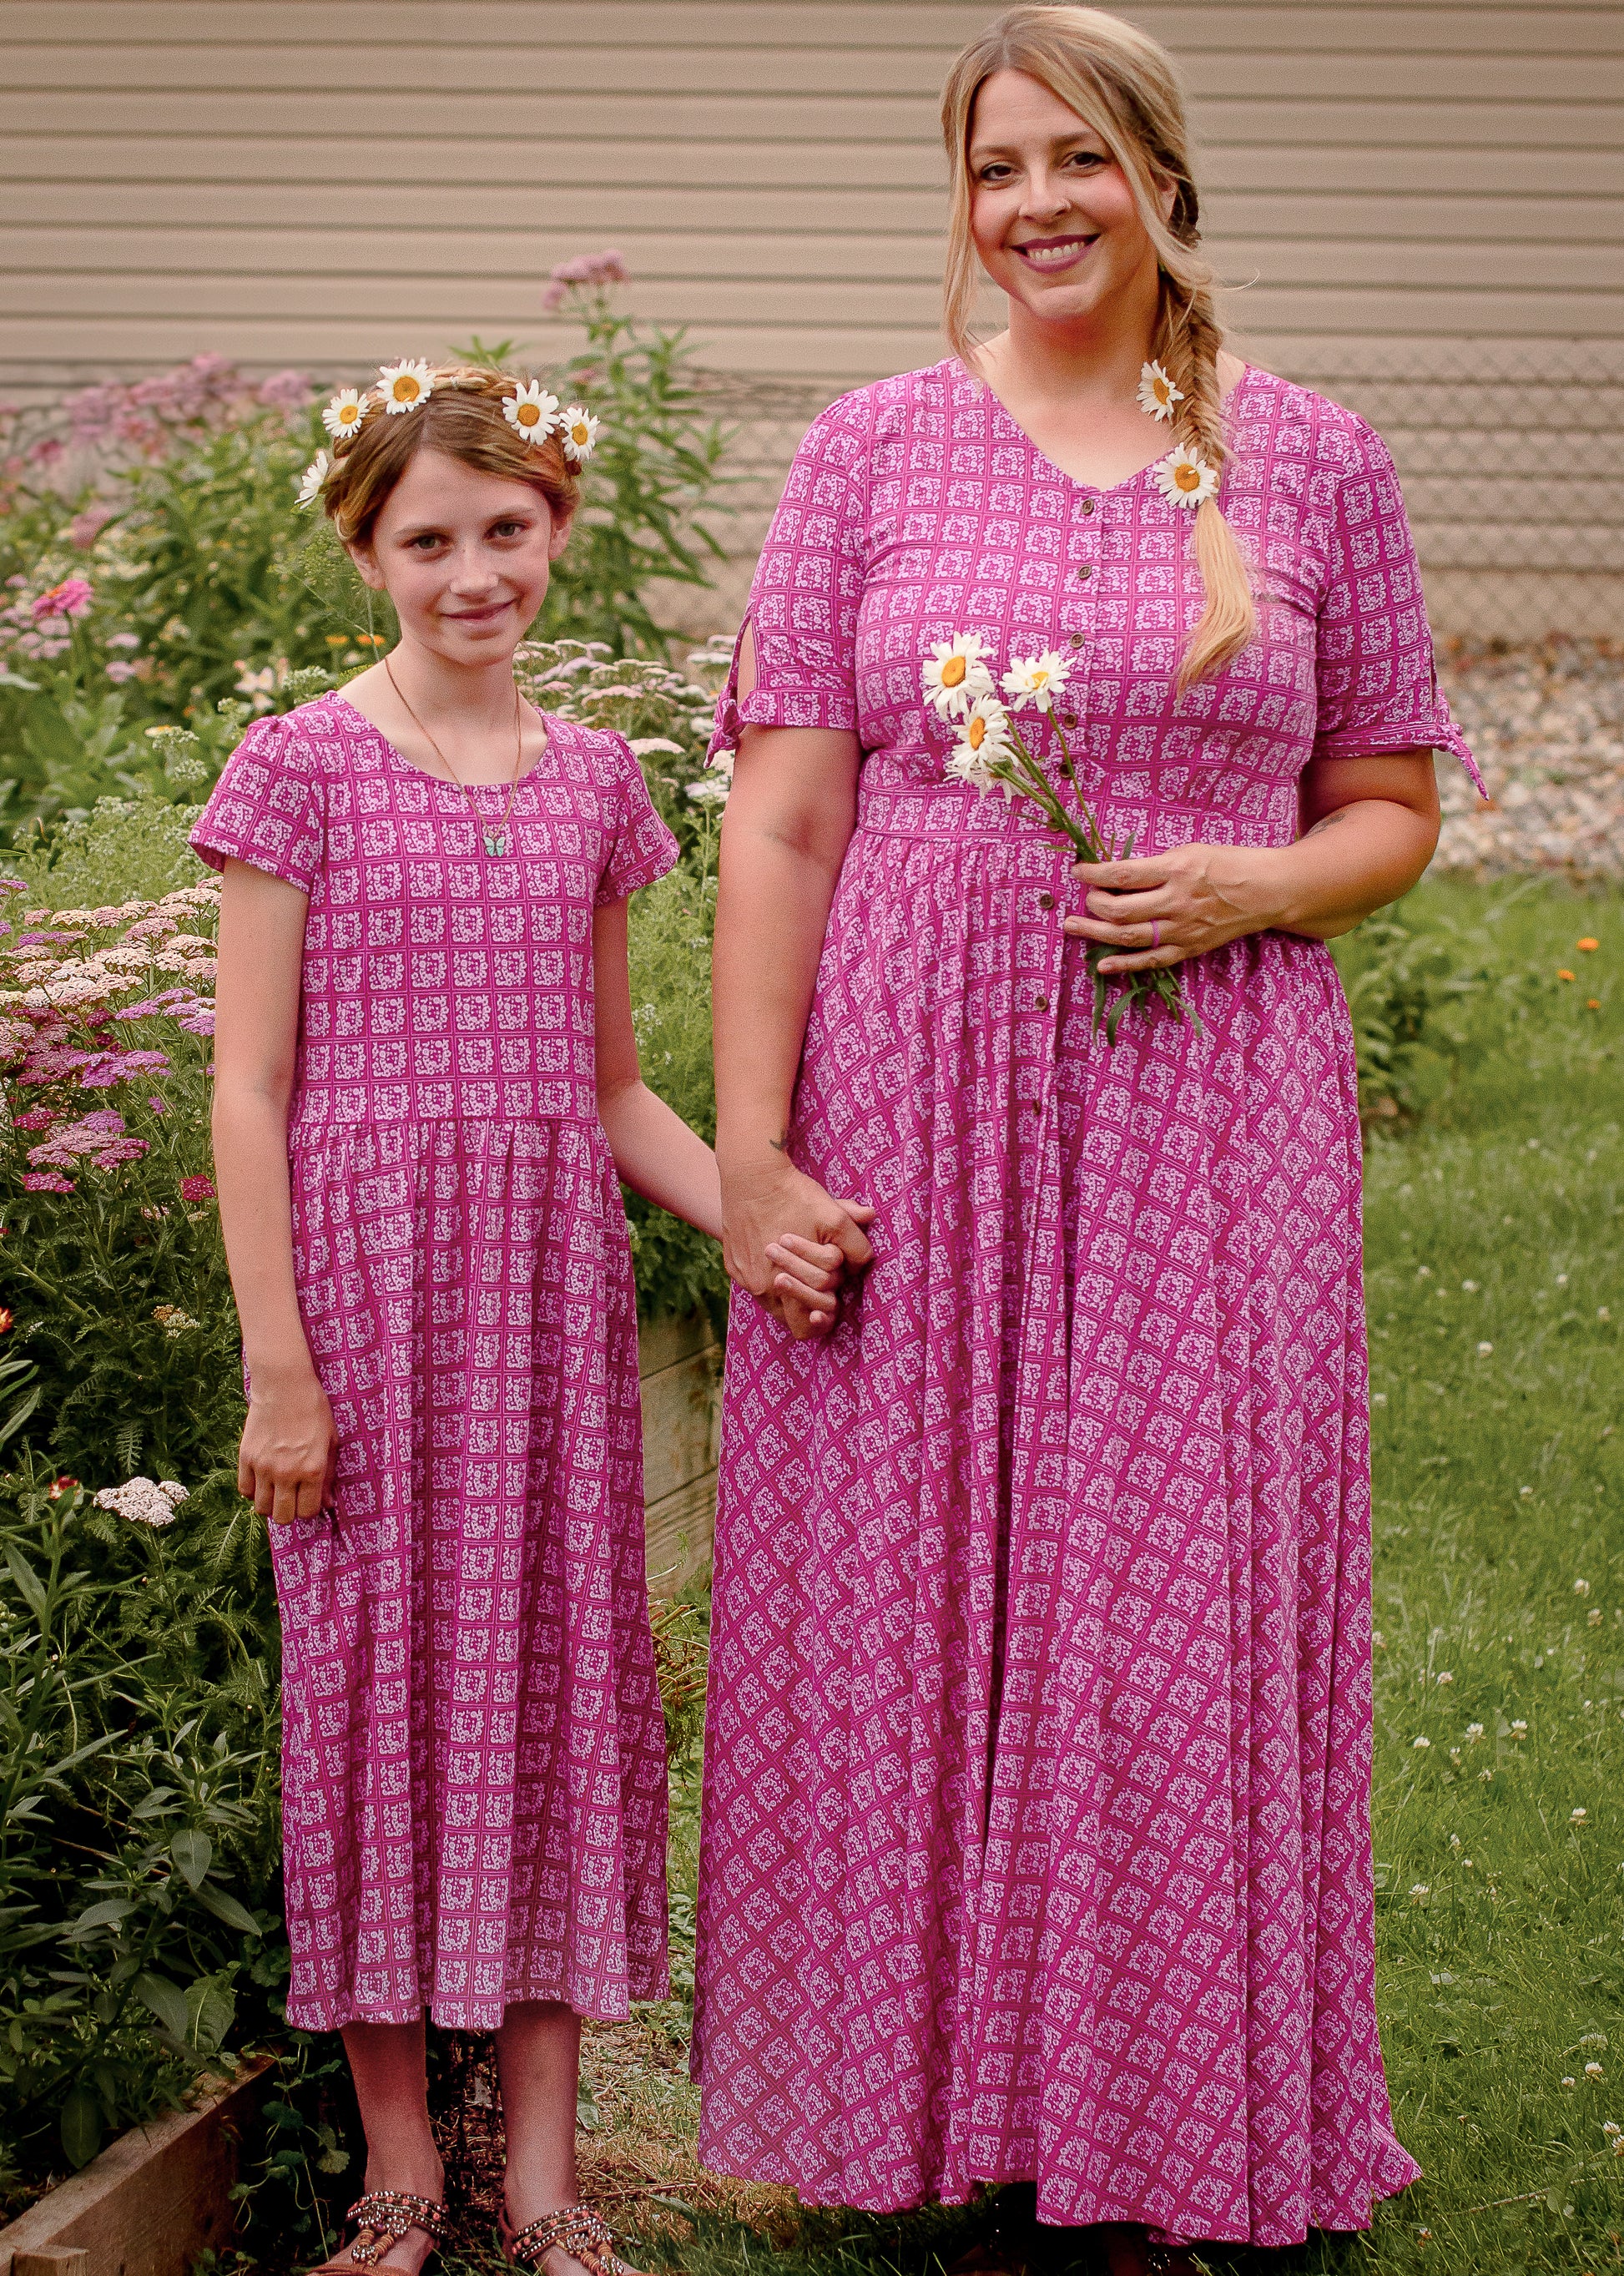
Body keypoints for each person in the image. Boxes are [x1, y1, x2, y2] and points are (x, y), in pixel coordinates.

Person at [695, 9, 1484, 2271]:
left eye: (1078, 160)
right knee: (911, 1589)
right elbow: (785, 815)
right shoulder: (864, 454)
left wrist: (1256, 881)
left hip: (1207, 1099)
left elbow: (1398, 807)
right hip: (915, 1091)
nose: (1034, 203)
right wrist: (751, 1154)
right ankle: (946, 2126)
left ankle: (1177, 2140)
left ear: (1161, 177)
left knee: (1169, 1605)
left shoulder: (1309, 461)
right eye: (993, 167)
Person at [196, 363, 843, 2276]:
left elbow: (612, 1089)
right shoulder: (296, 764)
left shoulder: (596, 785)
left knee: (561, 1702)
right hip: (366, 1323)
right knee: (374, 1707)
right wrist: (279, 1360)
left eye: (506, 528)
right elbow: (249, 1090)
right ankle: (401, 2168)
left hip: (548, 1325)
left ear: (555, 522)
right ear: (366, 547)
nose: (473, 570)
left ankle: (546, 2184)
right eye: (429, 538)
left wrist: (761, 1204)